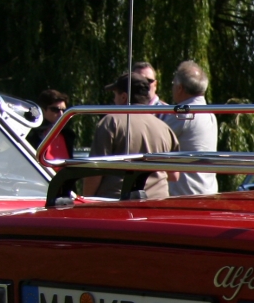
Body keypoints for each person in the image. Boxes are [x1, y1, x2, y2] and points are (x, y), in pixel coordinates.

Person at [84, 74, 179, 199]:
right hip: (158, 203)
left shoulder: (111, 122)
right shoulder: (165, 128)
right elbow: (174, 175)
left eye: (115, 95)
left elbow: (95, 171)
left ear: (124, 97)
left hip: (117, 203)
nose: (114, 100)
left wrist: (85, 198)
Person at [162, 60, 218, 196]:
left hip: (185, 195)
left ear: (179, 87)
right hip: (207, 191)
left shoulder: (183, 113)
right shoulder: (209, 113)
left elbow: (158, 137)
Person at [27, 89, 75, 161]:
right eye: (55, 110)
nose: (61, 114)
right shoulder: (32, 135)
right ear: (43, 110)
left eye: (64, 111)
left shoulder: (68, 135)